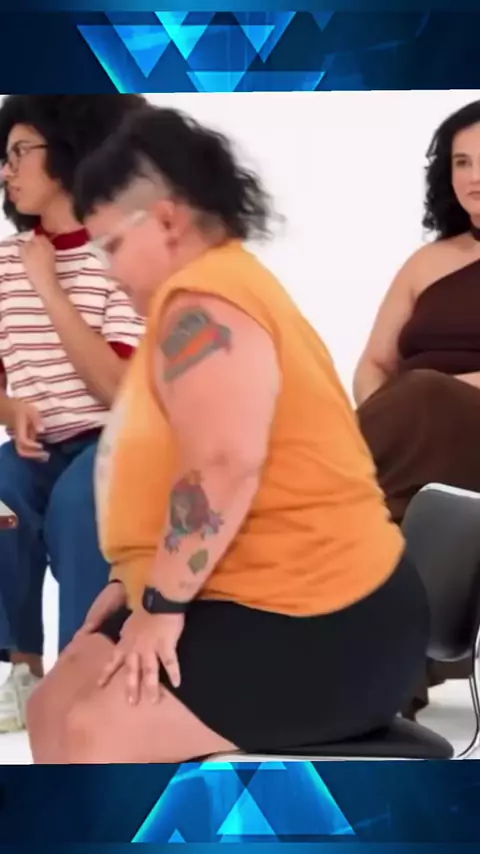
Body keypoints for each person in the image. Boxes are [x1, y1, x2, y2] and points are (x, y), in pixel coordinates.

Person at [27, 105, 429, 764]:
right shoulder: (192, 298)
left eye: (112, 247)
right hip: (237, 589)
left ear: (166, 221)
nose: (111, 271)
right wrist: (132, 580)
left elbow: (222, 465)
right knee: (52, 704)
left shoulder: (205, 305)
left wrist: (161, 604)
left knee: (95, 734)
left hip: (326, 618)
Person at [0, 95, 145, 734]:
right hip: (39, 447)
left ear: (67, 153)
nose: (6, 171)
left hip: (118, 440)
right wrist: (10, 407)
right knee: (1, 491)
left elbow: (119, 392)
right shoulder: (4, 263)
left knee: (78, 502)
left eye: (19, 154)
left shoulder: (122, 257)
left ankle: (83, 675)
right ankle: (22, 671)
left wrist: (48, 286)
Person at [354, 100, 480, 718]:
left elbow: (420, 387)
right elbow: (374, 362)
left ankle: (293, 479)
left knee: (425, 392)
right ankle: (379, 686)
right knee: (383, 513)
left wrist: (428, 395)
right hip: (414, 427)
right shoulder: (428, 261)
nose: (474, 176)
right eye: (462, 162)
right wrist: (395, 409)